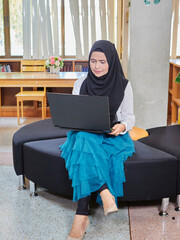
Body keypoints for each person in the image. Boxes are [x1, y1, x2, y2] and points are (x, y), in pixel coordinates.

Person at [60, 40, 135, 240]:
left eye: (102, 61)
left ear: (111, 62)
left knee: (84, 145)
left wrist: (122, 126)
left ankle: (81, 216)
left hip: (112, 136)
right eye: (93, 61)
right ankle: (102, 191)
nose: (97, 66)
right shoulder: (80, 83)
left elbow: (129, 117)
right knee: (84, 137)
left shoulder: (124, 86)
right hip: (85, 133)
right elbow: (75, 115)